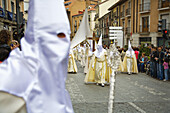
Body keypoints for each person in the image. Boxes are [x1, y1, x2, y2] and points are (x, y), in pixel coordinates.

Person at [0, 0, 74, 113]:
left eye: (64, 36)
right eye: (52, 34)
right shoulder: (10, 77)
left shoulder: (57, 81)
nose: (59, 43)